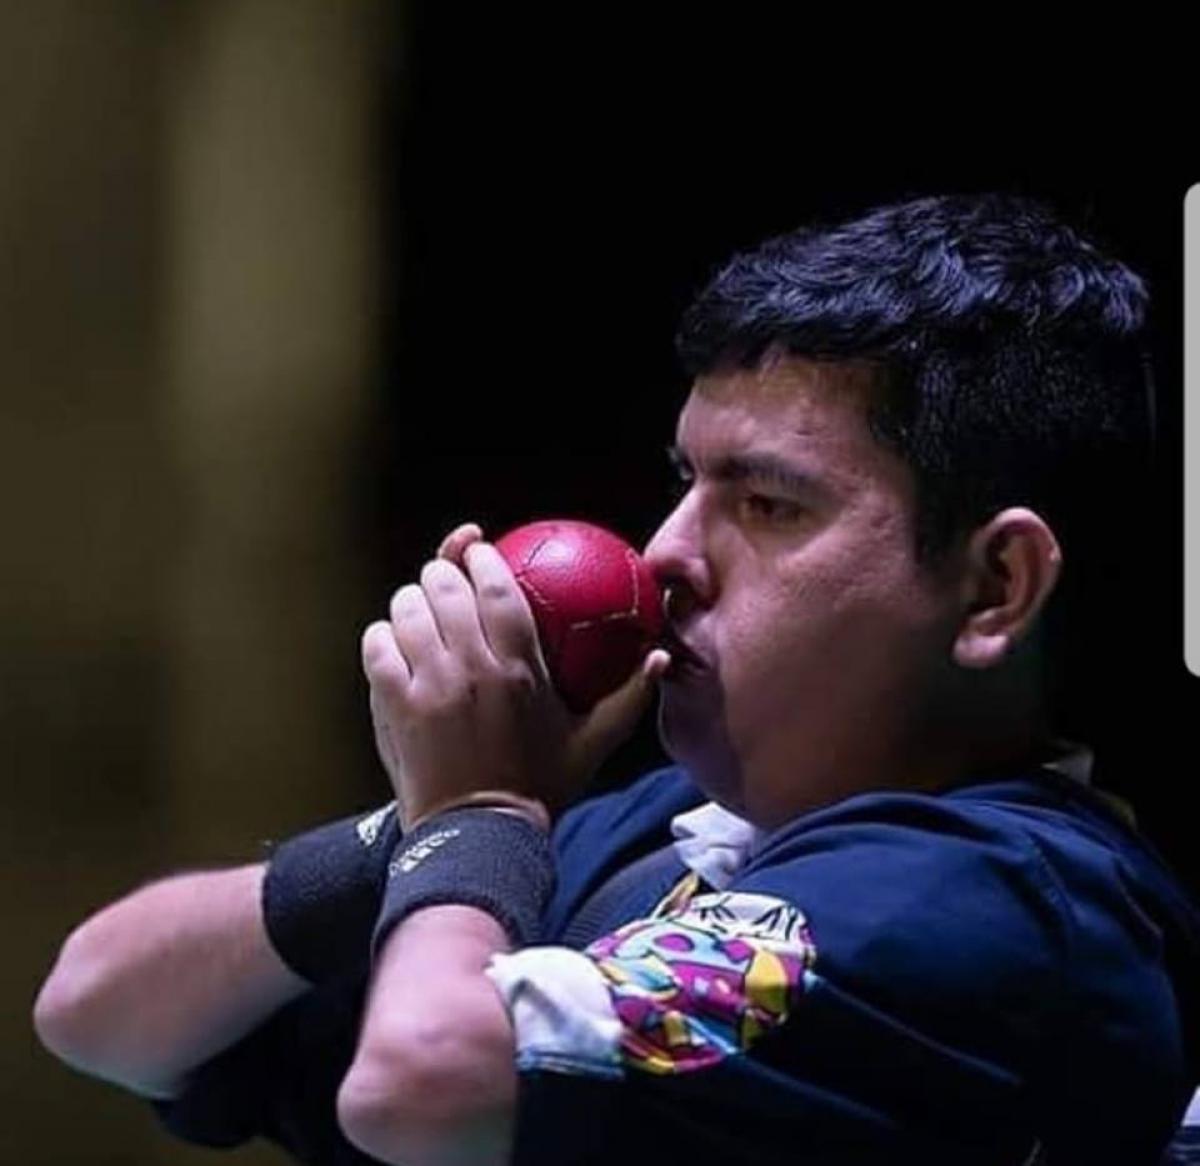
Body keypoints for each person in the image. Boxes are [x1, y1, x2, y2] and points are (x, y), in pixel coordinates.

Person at [33, 193, 1200, 1165]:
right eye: (685, 481)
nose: (664, 556)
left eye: (767, 502)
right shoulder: (661, 835)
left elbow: (419, 1079)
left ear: (995, 584)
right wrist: (432, 826)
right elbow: (101, 1007)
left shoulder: (995, 898)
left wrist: (478, 814)